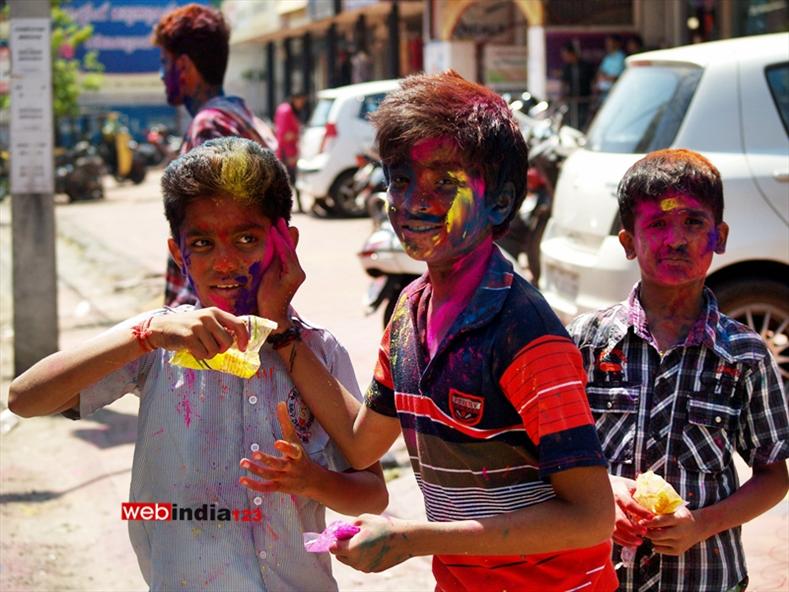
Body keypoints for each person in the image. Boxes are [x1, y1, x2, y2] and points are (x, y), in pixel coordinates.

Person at [243, 71, 618, 591]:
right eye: (400, 178)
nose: (413, 201)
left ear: (501, 201)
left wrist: (413, 538)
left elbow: (592, 518)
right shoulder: (409, 312)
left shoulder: (526, 336)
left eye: (445, 181)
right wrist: (282, 326)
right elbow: (361, 445)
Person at [8, 137, 388, 591]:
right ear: (178, 253)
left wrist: (313, 481)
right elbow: (24, 399)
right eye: (203, 243)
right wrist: (144, 336)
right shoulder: (157, 346)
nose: (225, 262)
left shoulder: (318, 351)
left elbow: (372, 491)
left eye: (247, 239)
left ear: (287, 242)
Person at [567, 149, 789, 592]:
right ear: (629, 242)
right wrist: (601, 489)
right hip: (598, 574)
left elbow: (773, 475)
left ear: (719, 236)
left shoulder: (744, 355)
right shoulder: (585, 341)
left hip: (705, 577)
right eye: (656, 224)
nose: (676, 240)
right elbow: (548, 452)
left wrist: (702, 524)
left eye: (693, 223)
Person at [152, 3, 277, 307]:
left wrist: (187, 315)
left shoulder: (210, 125)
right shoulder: (240, 113)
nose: (160, 75)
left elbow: (218, 231)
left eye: (163, 63)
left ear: (182, 67)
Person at [275, 92, 307, 213]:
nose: (301, 104)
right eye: (300, 101)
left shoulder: (289, 110)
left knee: (292, 181)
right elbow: (284, 135)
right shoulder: (286, 111)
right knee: (289, 181)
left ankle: (296, 206)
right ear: (294, 99)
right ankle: (288, 207)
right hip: (287, 153)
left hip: (290, 151)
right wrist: (289, 155)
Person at [560, 41, 594, 130]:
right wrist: (563, 96)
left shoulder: (585, 66)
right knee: (571, 123)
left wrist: (593, 96)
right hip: (572, 102)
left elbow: (593, 82)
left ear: (572, 53)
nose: (565, 57)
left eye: (566, 55)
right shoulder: (567, 68)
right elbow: (564, 83)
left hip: (585, 100)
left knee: (583, 122)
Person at [594, 34, 626, 100]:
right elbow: (600, 73)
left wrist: (605, 78)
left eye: (610, 42)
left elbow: (615, 77)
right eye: (607, 42)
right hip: (604, 97)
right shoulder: (607, 58)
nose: (608, 45)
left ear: (617, 43)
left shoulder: (621, 57)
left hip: (616, 95)